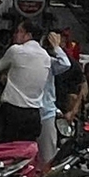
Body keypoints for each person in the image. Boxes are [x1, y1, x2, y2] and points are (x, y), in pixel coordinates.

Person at [0, 19, 53, 145]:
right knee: (25, 152)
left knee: (3, 150)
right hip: (33, 114)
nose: (15, 35)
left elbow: (0, 66)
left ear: (28, 35)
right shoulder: (46, 56)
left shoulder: (16, 50)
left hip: (12, 111)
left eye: (19, 32)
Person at [34, 28, 74, 167]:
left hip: (46, 112)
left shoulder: (49, 61)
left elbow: (65, 64)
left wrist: (56, 48)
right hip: (34, 111)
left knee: (47, 157)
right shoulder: (35, 59)